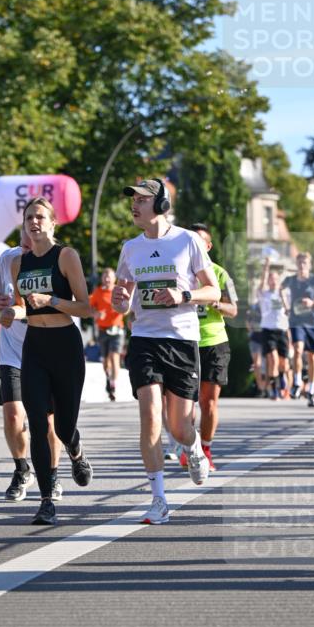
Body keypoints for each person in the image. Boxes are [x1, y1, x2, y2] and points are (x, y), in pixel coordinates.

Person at [111, 179, 220, 524]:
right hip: (144, 340)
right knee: (150, 418)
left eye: (142, 199)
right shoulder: (130, 248)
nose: (135, 205)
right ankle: (158, 500)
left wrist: (182, 296)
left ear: (161, 204)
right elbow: (124, 297)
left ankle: (193, 446)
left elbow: (212, 290)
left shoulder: (187, 241)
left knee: (178, 428)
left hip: (182, 342)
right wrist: (120, 300)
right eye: (133, 200)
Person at [0, 197, 93, 526]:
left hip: (64, 345)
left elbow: (86, 307)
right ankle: (47, 499)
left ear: (53, 223)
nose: (34, 223)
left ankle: (75, 447)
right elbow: (24, 306)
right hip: (34, 347)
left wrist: (52, 299)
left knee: (64, 426)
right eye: (28, 218)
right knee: (38, 423)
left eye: (40, 217)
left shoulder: (65, 256)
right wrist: (13, 312)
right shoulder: (17, 264)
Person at [0, 226, 63, 503]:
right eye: (23, 233)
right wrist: (1, 302)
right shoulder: (8, 258)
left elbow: (72, 303)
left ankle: (53, 474)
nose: (26, 243)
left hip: (47, 349)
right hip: (13, 353)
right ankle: (22, 469)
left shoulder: (59, 259)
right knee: (12, 415)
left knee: (46, 423)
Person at [190, 222, 238, 472]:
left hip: (215, 343)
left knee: (208, 402)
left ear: (208, 246)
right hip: (186, 342)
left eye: (201, 242)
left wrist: (216, 304)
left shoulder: (221, 274)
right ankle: (189, 446)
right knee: (186, 402)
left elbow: (233, 310)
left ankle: (206, 450)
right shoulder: (180, 272)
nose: (196, 246)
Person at [281, 251, 314, 407]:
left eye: (305, 263)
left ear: (310, 265)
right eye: (300, 263)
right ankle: (296, 382)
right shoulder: (291, 280)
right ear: (296, 264)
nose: (302, 266)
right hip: (296, 319)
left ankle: (311, 389)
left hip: (313, 320)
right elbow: (280, 289)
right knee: (297, 349)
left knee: (312, 356)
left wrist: (313, 303)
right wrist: (286, 306)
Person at [89, 268, 125, 401]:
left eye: (109, 277)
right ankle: (108, 378)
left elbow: (127, 307)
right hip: (103, 330)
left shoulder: (118, 291)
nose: (107, 279)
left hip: (117, 329)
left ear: (114, 278)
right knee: (105, 360)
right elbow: (89, 308)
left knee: (114, 356)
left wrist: (121, 309)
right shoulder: (98, 292)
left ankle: (113, 384)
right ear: (102, 279)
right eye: (105, 277)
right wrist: (96, 314)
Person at [258, 257, 290, 401]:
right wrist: (266, 266)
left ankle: (281, 377)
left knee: (283, 363)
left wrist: (283, 297)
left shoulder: (284, 293)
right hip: (268, 330)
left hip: (281, 330)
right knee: (273, 360)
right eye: (270, 278)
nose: (272, 281)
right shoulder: (263, 294)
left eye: (275, 278)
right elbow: (262, 281)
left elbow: (288, 311)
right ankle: (274, 390)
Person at [246, 300, 266, 397]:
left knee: (268, 364)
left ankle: (268, 387)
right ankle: (260, 388)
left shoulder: (269, 304)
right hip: (255, 339)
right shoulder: (253, 307)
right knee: (257, 364)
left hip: (267, 338)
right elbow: (247, 321)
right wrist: (250, 331)